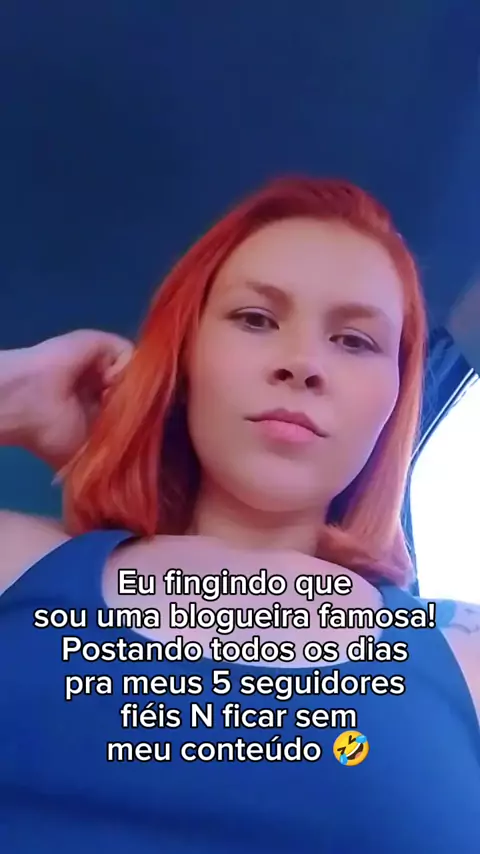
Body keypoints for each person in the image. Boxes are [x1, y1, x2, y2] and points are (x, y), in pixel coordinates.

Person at [0, 176, 479, 853]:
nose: (302, 364)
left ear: (395, 400)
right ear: (185, 358)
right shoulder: (17, 561)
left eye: (354, 341)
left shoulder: (464, 651)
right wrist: (16, 391)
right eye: (255, 319)